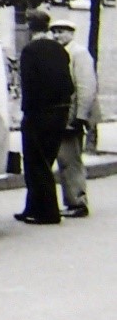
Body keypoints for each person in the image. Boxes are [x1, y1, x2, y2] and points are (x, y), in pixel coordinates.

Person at [15, 8, 74, 225]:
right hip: (60, 111)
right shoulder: (59, 50)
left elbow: (28, 85)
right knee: (45, 160)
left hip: (38, 113)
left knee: (35, 162)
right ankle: (32, 207)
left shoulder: (30, 51)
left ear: (30, 26)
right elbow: (68, 84)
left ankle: (48, 212)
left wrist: (26, 112)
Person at [51, 18, 100, 218]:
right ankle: (72, 200)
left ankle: (78, 201)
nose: (57, 36)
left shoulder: (78, 53)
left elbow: (85, 87)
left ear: (72, 33)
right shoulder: (60, 53)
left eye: (61, 31)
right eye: (54, 32)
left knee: (71, 159)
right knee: (66, 159)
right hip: (64, 114)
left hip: (73, 115)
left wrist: (80, 116)